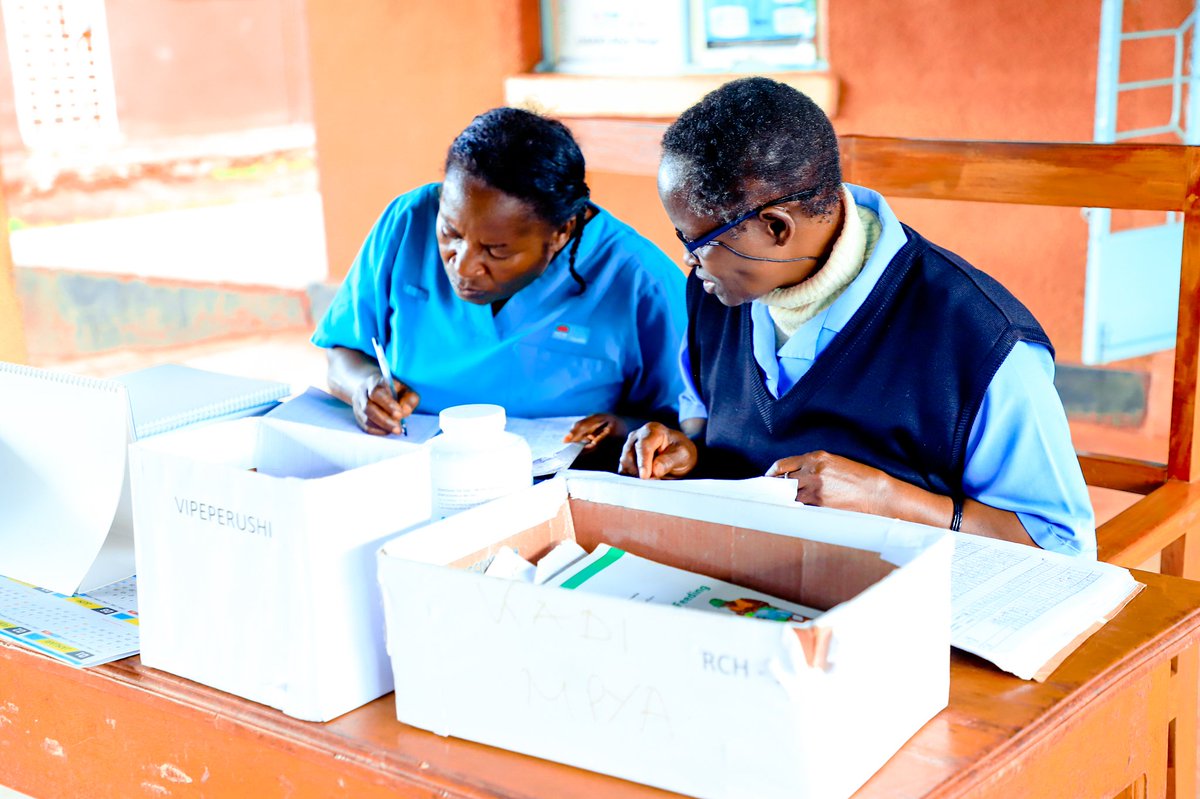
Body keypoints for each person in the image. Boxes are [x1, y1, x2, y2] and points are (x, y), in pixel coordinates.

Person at [619, 77, 1094, 555]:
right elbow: (707, 426)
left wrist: (888, 499)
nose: (689, 262)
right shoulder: (717, 296)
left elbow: (1061, 548)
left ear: (777, 228)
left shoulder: (979, 338)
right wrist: (687, 452)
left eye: (695, 242)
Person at [313, 107, 686, 458]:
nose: (465, 266)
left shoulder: (638, 278)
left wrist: (625, 430)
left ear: (561, 233)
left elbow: (684, 422)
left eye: (496, 251)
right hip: (411, 462)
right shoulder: (407, 221)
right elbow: (343, 351)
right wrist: (363, 387)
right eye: (450, 233)